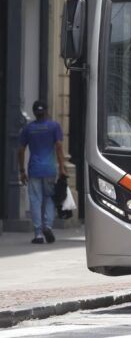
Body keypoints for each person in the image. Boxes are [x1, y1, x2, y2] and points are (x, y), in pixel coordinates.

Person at [18, 100, 67, 244]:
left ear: (34, 113)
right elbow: (58, 147)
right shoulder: (54, 126)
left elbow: (21, 150)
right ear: (46, 111)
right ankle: (48, 226)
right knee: (50, 199)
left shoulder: (28, 129)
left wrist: (22, 170)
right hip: (49, 169)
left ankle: (38, 234)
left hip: (34, 169)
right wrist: (62, 167)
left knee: (35, 200)